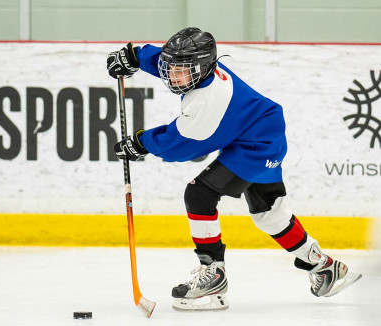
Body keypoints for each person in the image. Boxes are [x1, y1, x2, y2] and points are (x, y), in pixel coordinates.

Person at [106, 27, 362, 311]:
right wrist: (136, 56)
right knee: (270, 214)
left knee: (199, 195)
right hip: (259, 130)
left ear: (202, 68)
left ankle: (214, 275)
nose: (171, 76)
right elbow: (172, 61)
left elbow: (180, 146)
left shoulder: (206, 102)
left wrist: (141, 143)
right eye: (169, 68)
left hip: (256, 144)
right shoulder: (200, 69)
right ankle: (324, 267)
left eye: (181, 71)